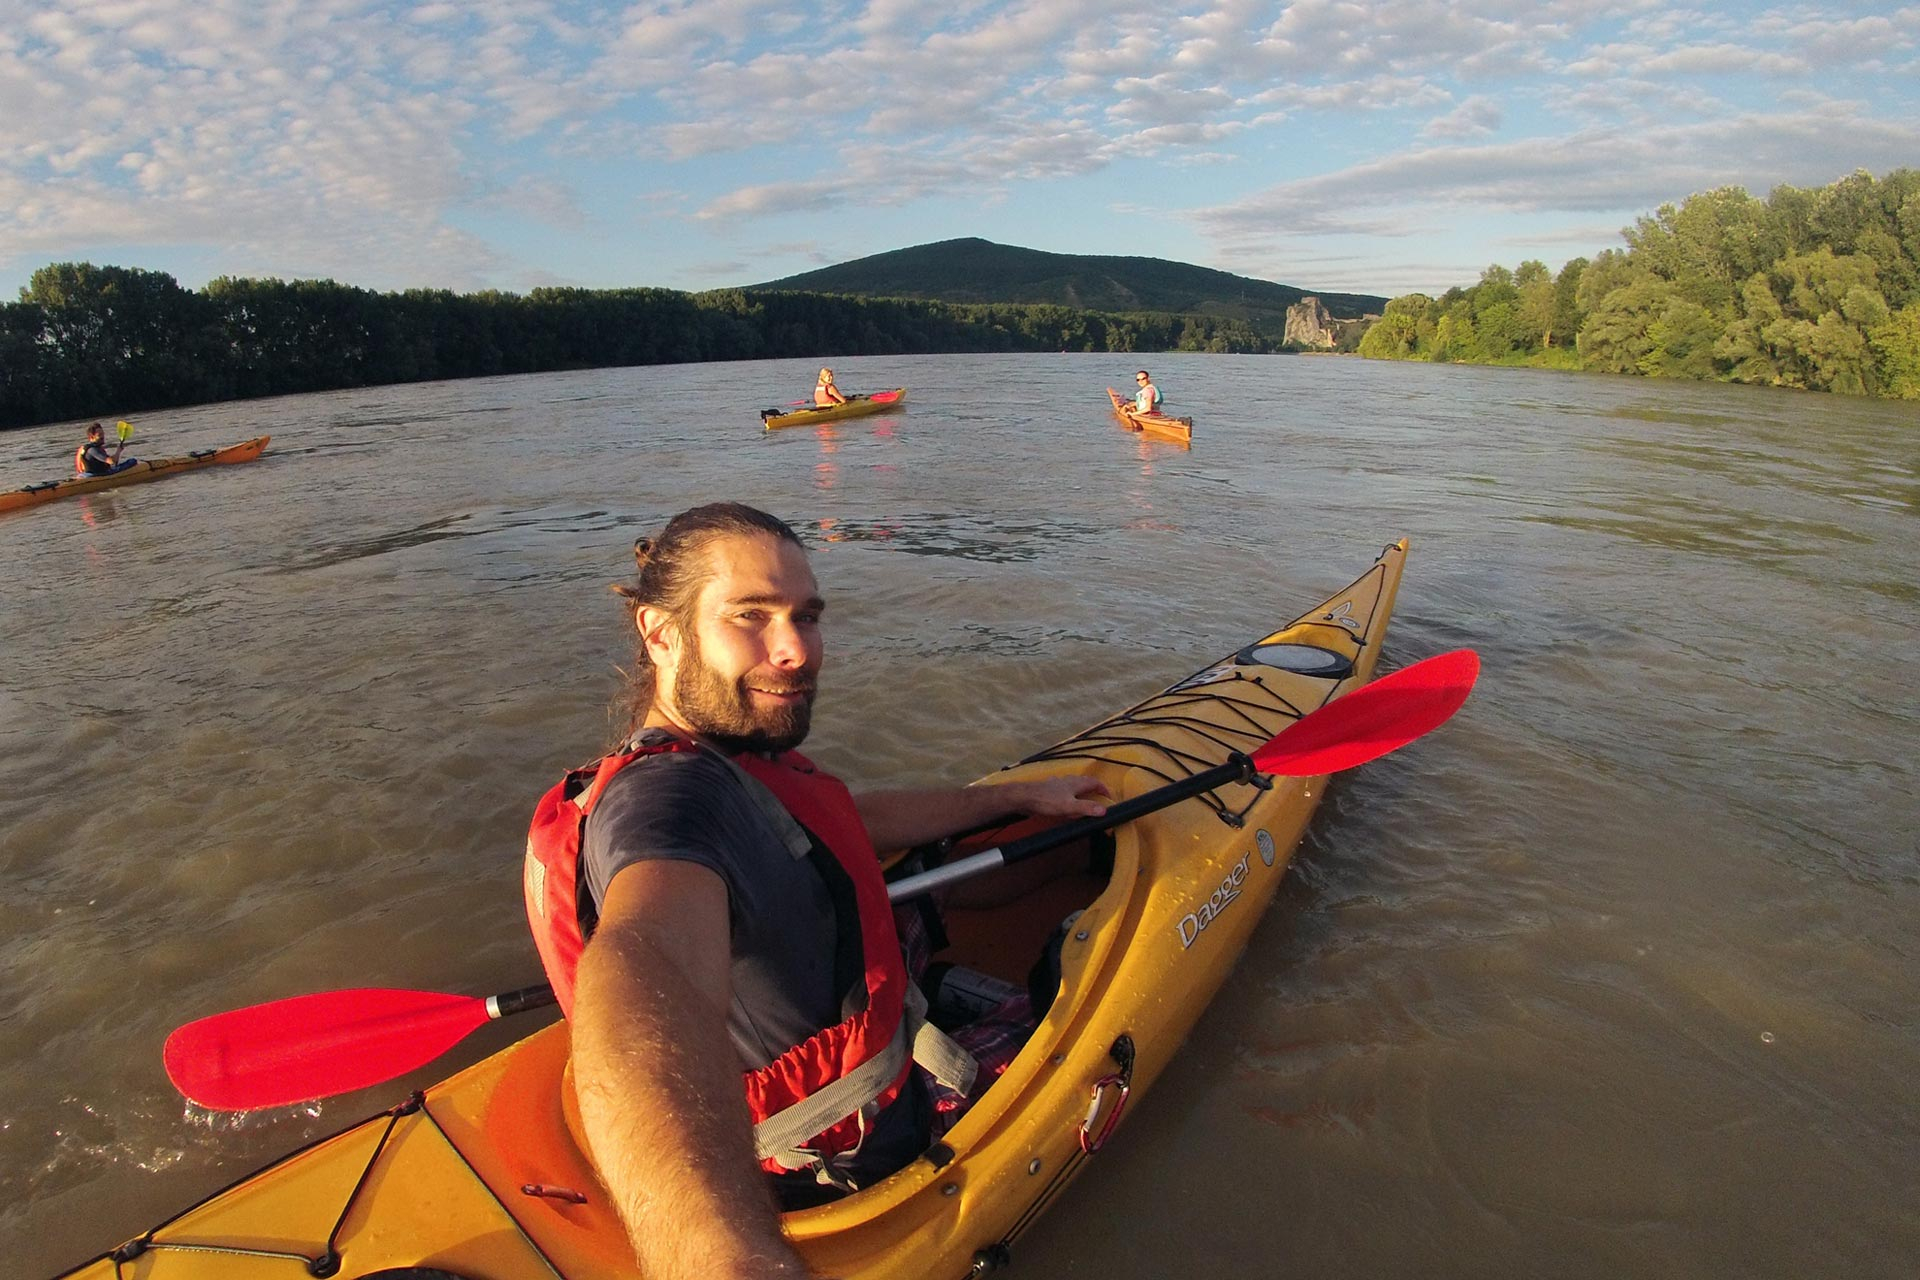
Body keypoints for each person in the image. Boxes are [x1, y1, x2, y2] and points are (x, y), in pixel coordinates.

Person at [523, 503, 1109, 1280]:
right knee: (1076, 972)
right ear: (660, 634)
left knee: (974, 869)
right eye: (751, 618)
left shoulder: (724, 751)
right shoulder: (671, 803)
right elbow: (643, 974)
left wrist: (1011, 799)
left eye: (807, 616)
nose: (795, 649)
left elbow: (840, 820)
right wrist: (720, 1259)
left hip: (827, 1022)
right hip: (844, 1146)